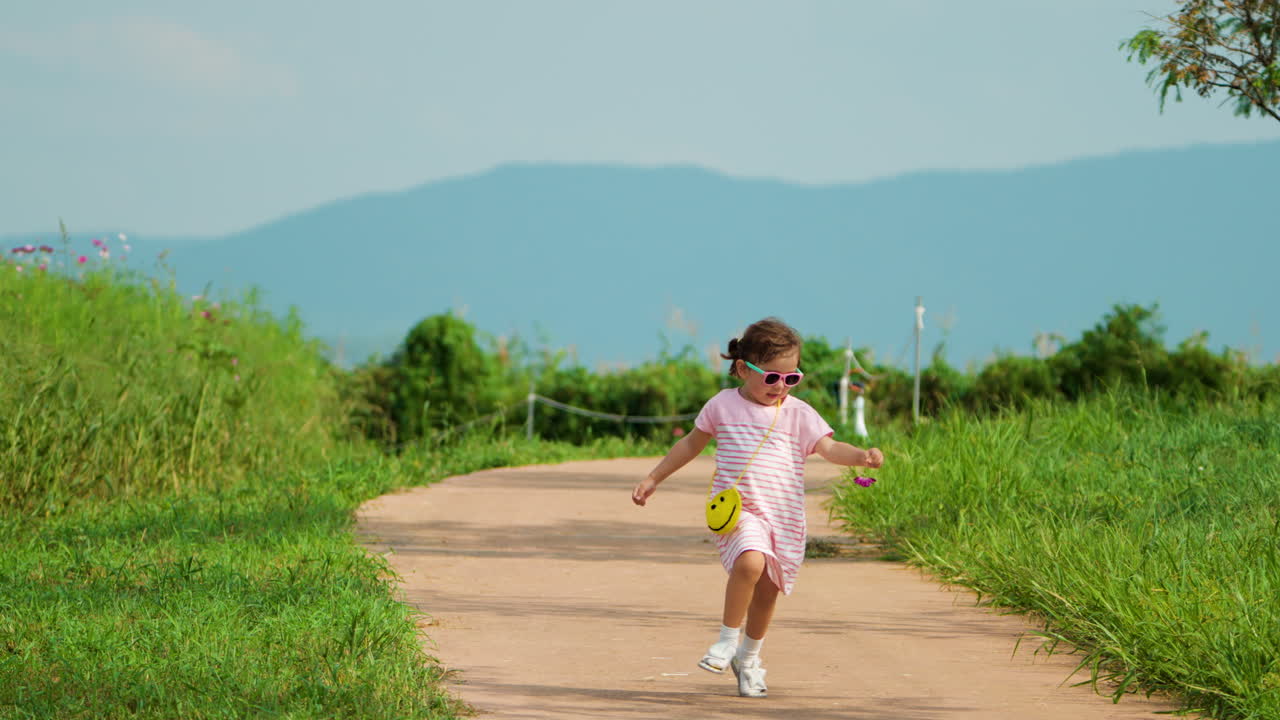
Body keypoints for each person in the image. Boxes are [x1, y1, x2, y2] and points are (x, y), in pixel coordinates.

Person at [631, 317, 885, 698]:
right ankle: (725, 641)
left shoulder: (797, 413)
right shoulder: (722, 405)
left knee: (768, 590)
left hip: (784, 518)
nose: (780, 386)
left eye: (791, 378)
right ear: (741, 369)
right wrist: (654, 478)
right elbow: (690, 444)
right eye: (770, 378)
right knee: (750, 562)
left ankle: (748, 659)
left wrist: (861, 457)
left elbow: (829, 448)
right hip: (741, 513)